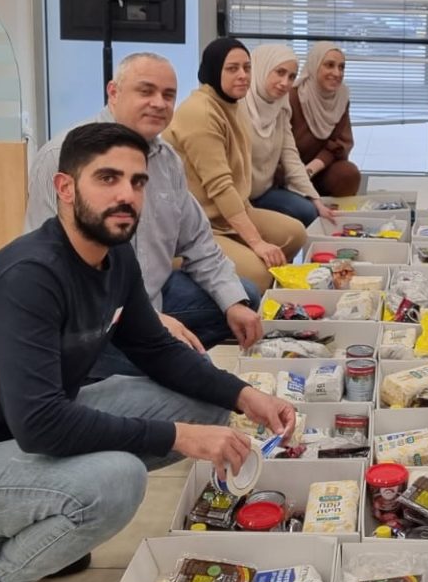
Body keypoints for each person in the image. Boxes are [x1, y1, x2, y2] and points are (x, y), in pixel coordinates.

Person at [0, 122, 295, 582]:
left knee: (203, 404)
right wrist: (180, 438)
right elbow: (41, 424)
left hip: (20, 440)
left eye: (137, 181)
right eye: (107, 178)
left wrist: (245, 395)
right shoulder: (29, 277)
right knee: (117, 481)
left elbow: (156, 348)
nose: (126, 194)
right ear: (64, 187)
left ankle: (45, 525)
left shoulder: (113, 257)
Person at [25, 52, 263, 363]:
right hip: (90, 319)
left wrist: (233, 303)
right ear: (113, 93)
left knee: (242, 297)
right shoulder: (63, 157)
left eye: (168, 95)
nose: (159, 103)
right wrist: (146, 322)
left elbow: (199, 243)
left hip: (151, 298)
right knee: (194, 375)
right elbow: (50, 271)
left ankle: (152, 359)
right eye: (146, 91)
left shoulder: (167, 160)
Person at [167, 38, 308, 293]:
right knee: (259, 275)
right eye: (232, 68)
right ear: (213, 70)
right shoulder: (200, 112)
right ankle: (201, 279)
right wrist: (256, 242)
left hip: (227, 216)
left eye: (247, 67)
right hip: (197, 227)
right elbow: (220, 186)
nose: (243, 75)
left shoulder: (232, 105)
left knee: (295, 234)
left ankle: (269, 296)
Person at [244, 43, 336, 229]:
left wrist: (316, 200)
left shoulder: (280, 106)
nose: (285, 82)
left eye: (292, 77)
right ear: (262, 67)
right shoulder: (237, 106)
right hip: (236, 199)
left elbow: (290, 156)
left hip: (262, 192)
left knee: (309, 211)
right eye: (280, 72)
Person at [290, 42, 361, 197]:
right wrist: (298, 175)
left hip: (322, 168)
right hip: (289, 170)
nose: (337, 73)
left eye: (341, 67)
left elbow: (340, 144)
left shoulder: (341, 97)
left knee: (348, 174)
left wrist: (310, 170)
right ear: (314, 66)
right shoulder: (292, 96)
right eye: (329, 65)